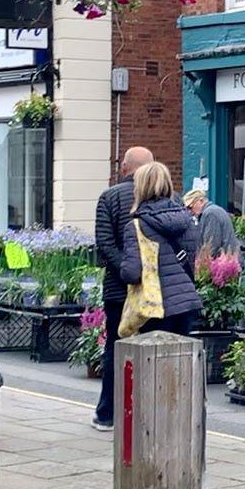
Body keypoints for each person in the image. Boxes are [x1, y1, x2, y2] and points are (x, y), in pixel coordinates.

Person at [93, 146, 152, 431]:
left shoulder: (109, 196)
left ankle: (108, 414)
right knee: (153, 348)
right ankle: (147, 413)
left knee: (116, 350)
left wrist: (128, 271)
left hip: (119, 289)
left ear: (125, 167)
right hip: (156, 291)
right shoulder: (168, 198)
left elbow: (104, 242)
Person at [118, 161, 203, 336]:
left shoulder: (136, 226)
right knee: (181, 358)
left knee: (152, 359)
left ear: (140, 188)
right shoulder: (186, 221)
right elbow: (193, 260)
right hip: (186, 301)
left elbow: (131, 273)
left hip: (154, 306)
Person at [183, 188, 241, 262]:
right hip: (228, 261)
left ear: (200, 201)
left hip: (225, 264)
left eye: (190, 207)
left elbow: (211, 245)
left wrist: (202, 264)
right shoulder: (212, 211)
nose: (190, 211)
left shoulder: (210, 214)